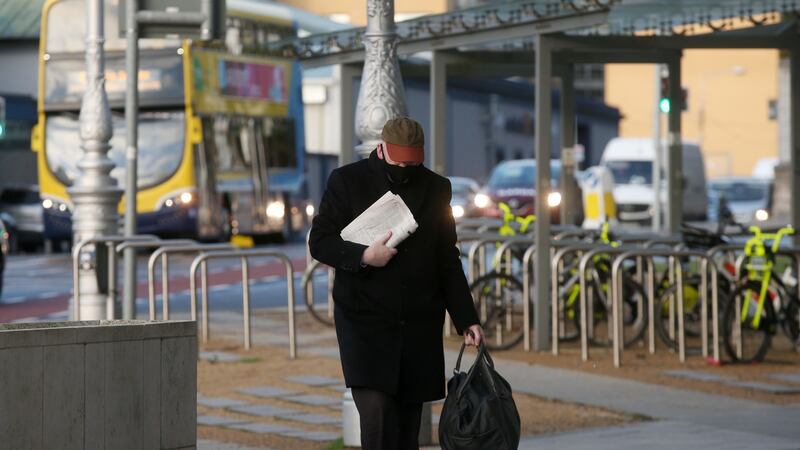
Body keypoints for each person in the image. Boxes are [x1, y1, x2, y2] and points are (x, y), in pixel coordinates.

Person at [309, 117, 484, 450]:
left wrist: (467, 318)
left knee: (407, 428)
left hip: (417, 323)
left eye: (413, 162)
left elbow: (446, 259)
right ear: (381, 149)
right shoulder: (347, 181)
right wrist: (364, 256)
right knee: (376, 418)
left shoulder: (436, 188)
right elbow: (320, 242)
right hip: (365, 321)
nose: (406, 168)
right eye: (399, 161)